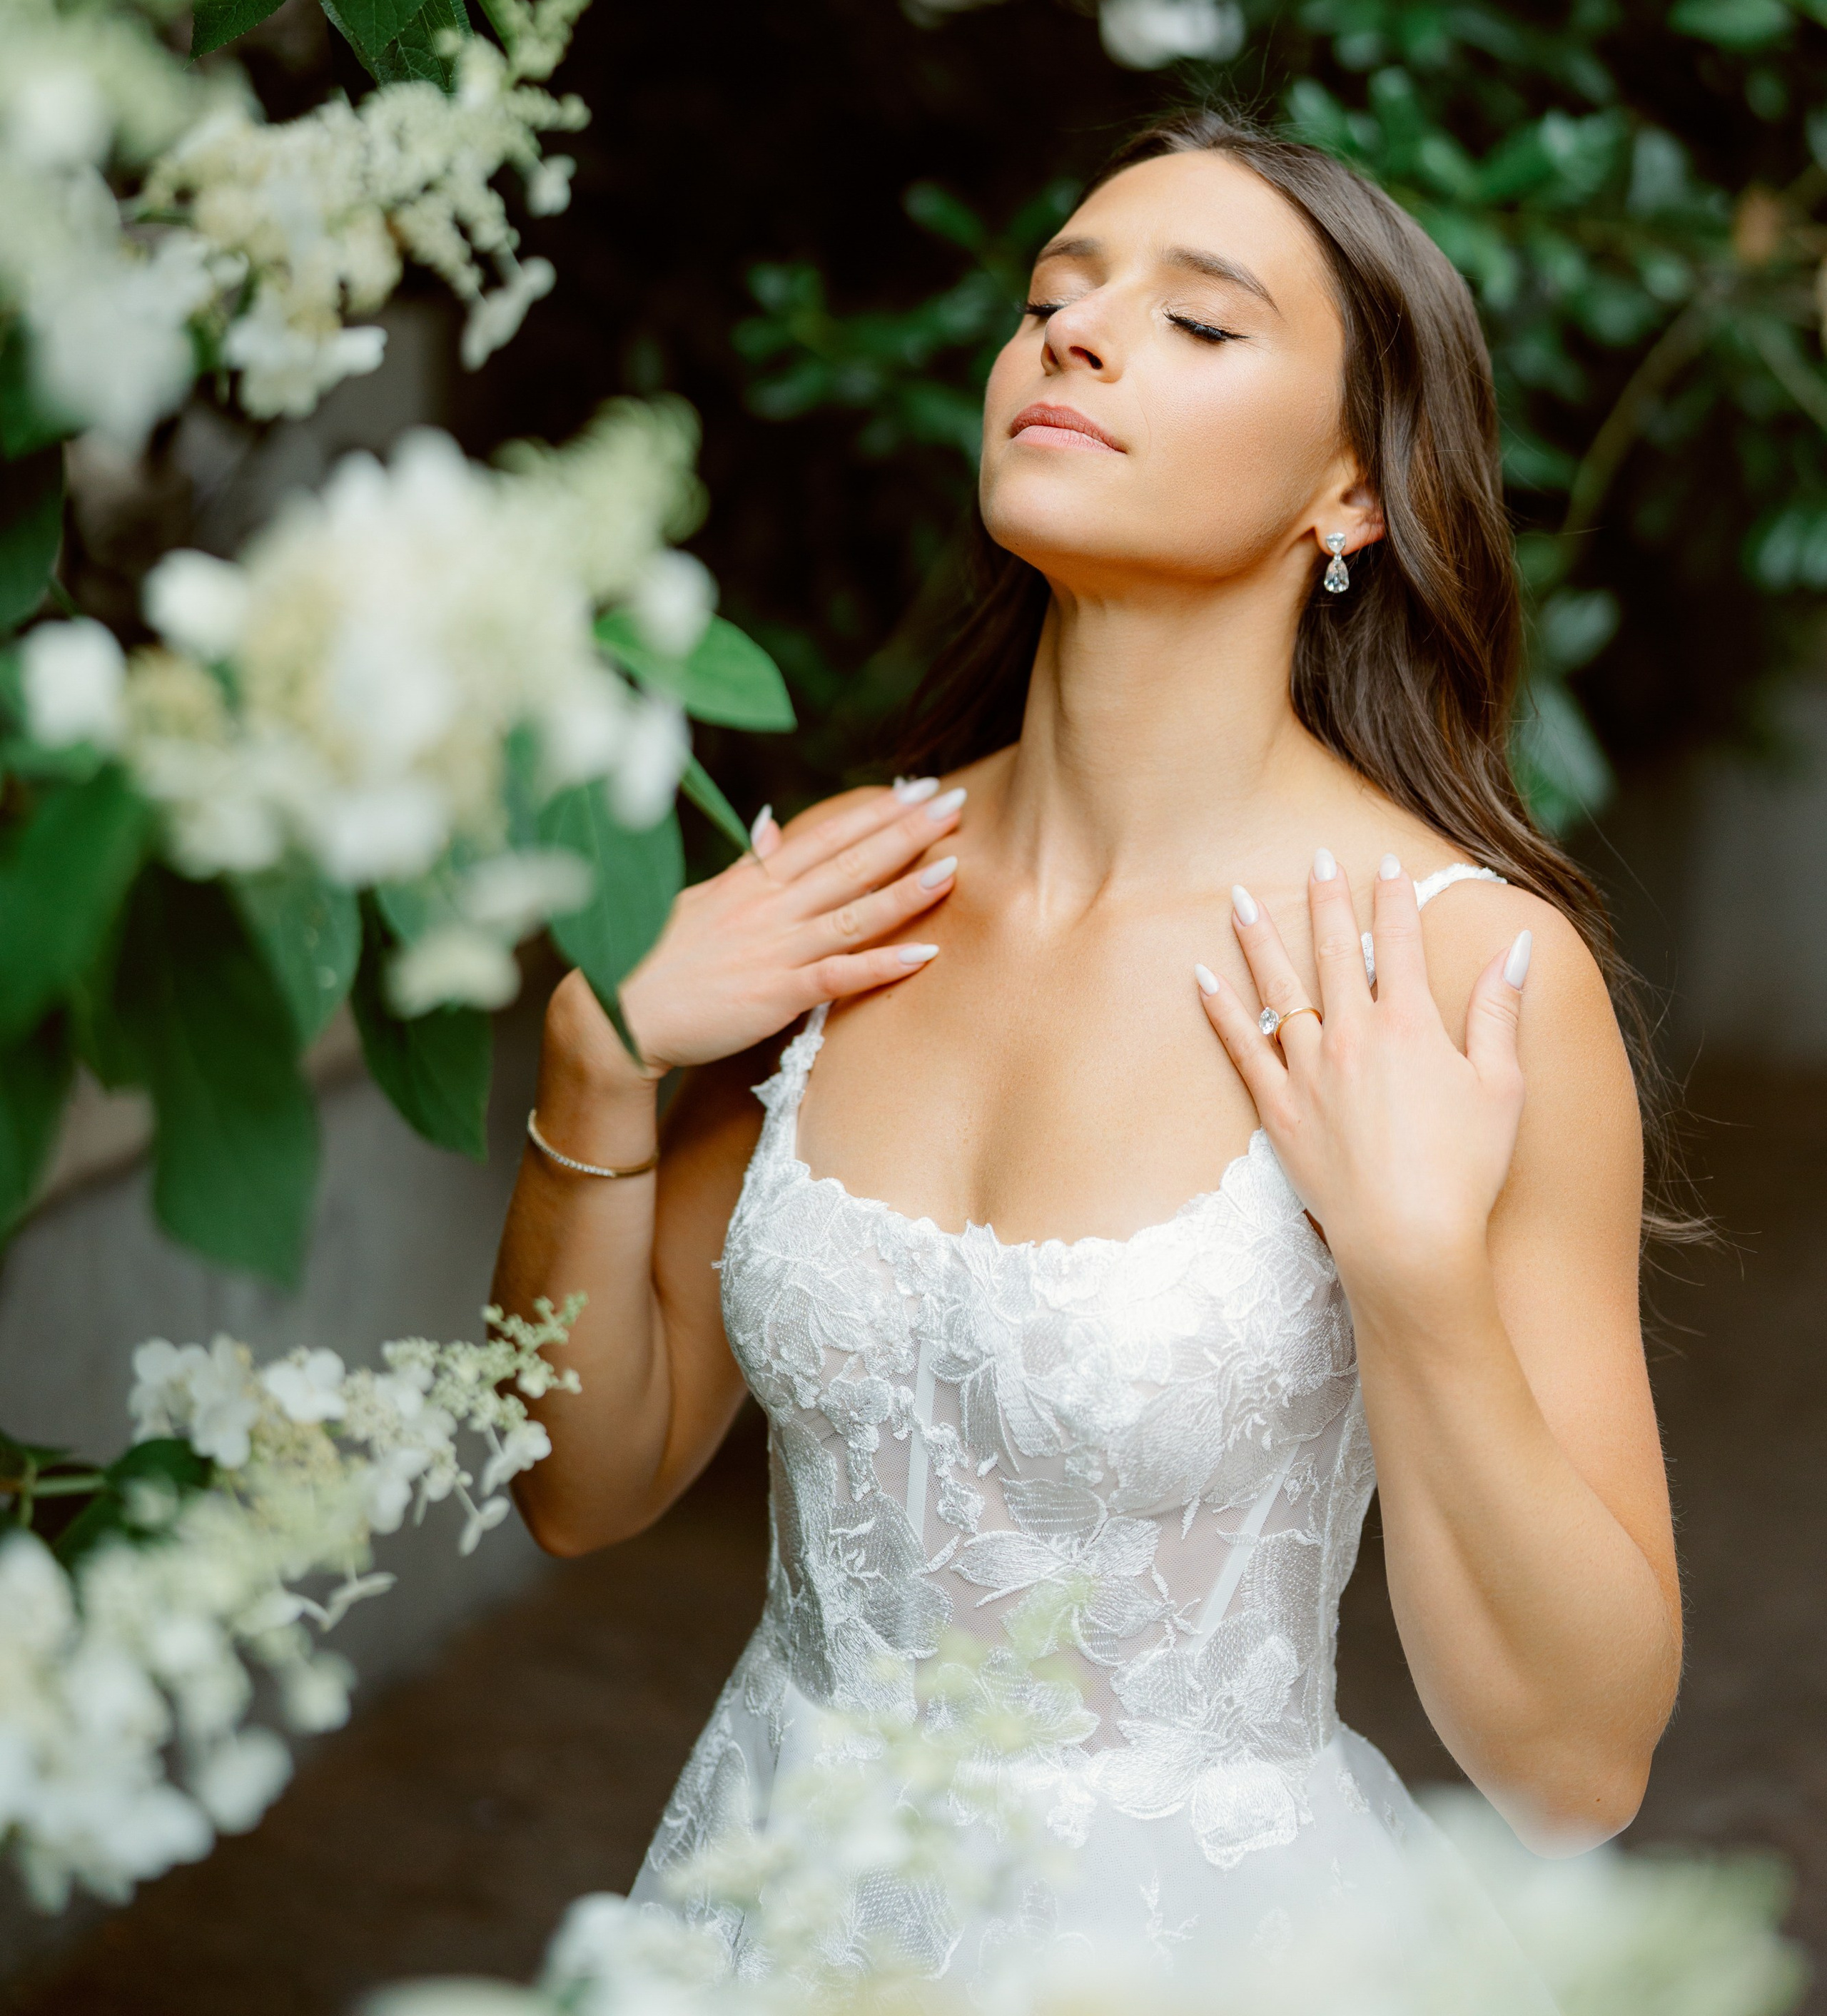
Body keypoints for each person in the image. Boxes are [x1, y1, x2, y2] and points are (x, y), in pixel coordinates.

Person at [491, 111, 1681, 1991]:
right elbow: (589, 1484)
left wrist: (1417, 1283)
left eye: (1201, 324)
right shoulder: (841, 893)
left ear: (1351, 495)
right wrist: (595, 1064)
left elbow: (1579, 1768)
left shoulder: (1465, 978)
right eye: (1055, 293)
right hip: (768, 1909)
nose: (1077, 335)